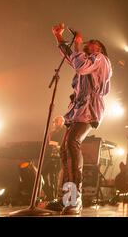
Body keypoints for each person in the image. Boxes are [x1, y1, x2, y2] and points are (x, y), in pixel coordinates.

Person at [51, 23, 112, 215]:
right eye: (87, 44)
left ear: (100, 48)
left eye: (92, 44)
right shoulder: (85, 58)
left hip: (89, 109)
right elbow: (72, 59)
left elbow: (79, 65)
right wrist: (58, 37)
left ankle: (74, 200)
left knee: (72, 142)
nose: (88, 44)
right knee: (64, 149)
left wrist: (77, 45)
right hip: (77, 109)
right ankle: (65, 199)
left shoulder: (100, 59)